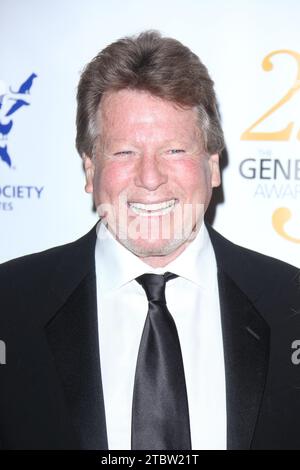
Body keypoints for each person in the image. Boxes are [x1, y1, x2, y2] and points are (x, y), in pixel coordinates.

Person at [0, 31, 299, 451]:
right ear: (89, 170)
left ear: (213, 166)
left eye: (175, 150)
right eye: (124, 152)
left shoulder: (292, 303)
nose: (151, 177)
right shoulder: (8, 304)